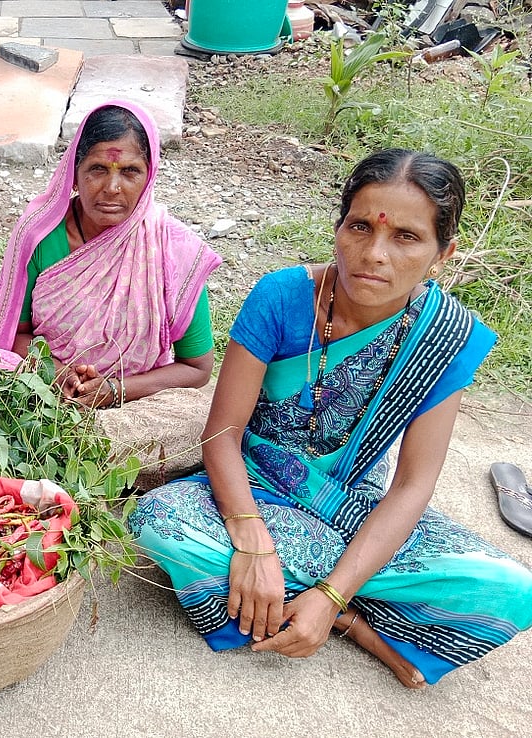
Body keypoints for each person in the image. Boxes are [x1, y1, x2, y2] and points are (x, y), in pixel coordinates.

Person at [130, 149, 532, 687]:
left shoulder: (445, 338)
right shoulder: (281, 297)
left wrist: (334, 590)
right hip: (252, 489)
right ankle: (360, 624)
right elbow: (223, 437)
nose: (374, 253)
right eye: (360, 227)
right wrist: (251, 541)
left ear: (443, 253)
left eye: (406, 237)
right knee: (159, 523)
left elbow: (412, 488)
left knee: (508, 587)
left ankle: (322, 608)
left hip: (351, 507)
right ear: (339, 227)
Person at [0, 100, 222, 481]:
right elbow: (13, 337)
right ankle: (79, 463)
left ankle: (66, 458)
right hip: (47, 390)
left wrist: (115, 389)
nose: (112, 188)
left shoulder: (173, 249)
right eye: (97, 170)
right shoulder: (39, 235)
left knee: (210, 417)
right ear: (73, 174)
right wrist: (55, 373)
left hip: (137, 400)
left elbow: (197, 369)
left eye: (130, 171)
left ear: (149, 176)